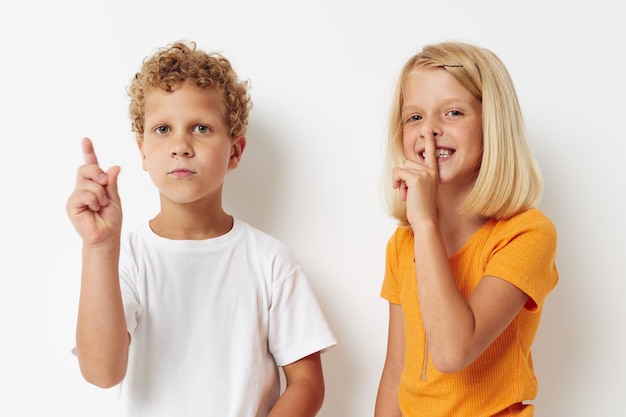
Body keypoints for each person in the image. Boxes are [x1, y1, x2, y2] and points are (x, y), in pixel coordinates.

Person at [66, 40, 337, 417]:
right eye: (162, 128)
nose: (181, 145)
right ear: (143, 152)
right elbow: (101, 372)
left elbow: (307, 382)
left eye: (201, 128)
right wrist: (98, 247)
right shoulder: (125, 257)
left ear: (235, 151)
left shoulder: (270, 260)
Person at [374, 41, 558, 417]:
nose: (430, 131)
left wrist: (424, 221)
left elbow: (452, 351)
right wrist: (421, 227)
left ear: (492, 125)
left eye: (452, 112)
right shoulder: (402, 244)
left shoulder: (527, 234)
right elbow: (396, 373)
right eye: (414, 118)